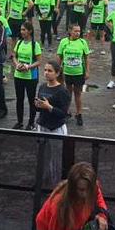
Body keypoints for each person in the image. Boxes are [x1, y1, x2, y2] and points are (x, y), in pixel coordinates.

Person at [35, 162, 110, 230]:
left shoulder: (92, 187)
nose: (86, 195)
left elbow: (99, 198)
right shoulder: (59, 207)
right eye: (82, 190)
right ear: (73, 189)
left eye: (89, 189)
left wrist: (102, 216)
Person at [35, 58, 72, 186]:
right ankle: (42, 180)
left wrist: (49, 107)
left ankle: (57, 185)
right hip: (42, 125)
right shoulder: (42, 86)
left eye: (50, 71)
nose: (46, 73)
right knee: (42, 155)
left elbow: (64, 114)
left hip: (56, 128)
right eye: (45, 70)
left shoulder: (62, 91)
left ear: (57, 73)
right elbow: (38, 107)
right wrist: (37, 105)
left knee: (57, 158)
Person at [56, 22, 89, 127]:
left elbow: (87, 58)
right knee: (68, 93)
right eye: (75, 31)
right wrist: (57, 70)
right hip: (67, 72)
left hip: (79, 73)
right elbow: (59, 56)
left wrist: (87, 71)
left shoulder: (83, 42)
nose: (78, 33)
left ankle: (79, 114)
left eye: (79, 31)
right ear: (70, 31)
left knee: (78, 94)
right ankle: (66, 112)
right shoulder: (63, 42)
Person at [11, 22, 42, 130]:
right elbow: (14, 56)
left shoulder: (35, 45)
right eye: (21, 30)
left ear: (30, 31)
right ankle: (19, 122)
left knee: (31, 100)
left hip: (31, 77)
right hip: (18, 75)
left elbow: (39, 62)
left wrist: (28, 66)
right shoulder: (19, 43)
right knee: (19, 99)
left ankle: (31, 122)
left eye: (24, 30)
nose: (22, 32)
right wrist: (17, 64)